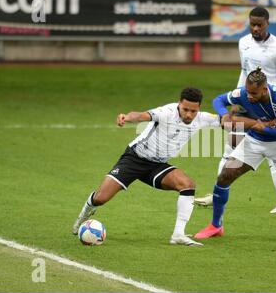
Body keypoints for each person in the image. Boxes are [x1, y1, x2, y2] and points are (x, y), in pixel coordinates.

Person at [72, 87, 220, 246]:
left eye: (193, 111)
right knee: (101, 198)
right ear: (179, 104)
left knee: (187, 185)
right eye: (185, 109)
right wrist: (126, 117)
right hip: (134, 159)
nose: (189, 114)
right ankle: (83, 216)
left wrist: (244, 114)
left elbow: (226, 120)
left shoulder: (202, 118)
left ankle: (178, 234)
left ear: (199, 108)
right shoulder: (166, 112)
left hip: (156, 166)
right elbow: (142, 115)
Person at [194, 68, 276, 245]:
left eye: (253, 93)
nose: (249, 97)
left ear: (265, 89)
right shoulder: (243, 93)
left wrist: (263, 128)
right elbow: (219, 100)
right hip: (253, 143)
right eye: (248, 92)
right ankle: (216, 226)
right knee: (224, 177)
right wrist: (225, 115)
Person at [195, 6, 276, 214]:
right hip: (248, 102)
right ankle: (217, 193)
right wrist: (237, 101)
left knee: (275, 155)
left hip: (270, 108)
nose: (255, 28)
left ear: (268, 24)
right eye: (252, 24)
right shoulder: (243, 43)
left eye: (260, 25)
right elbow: (244, 72)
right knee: (230, 148)